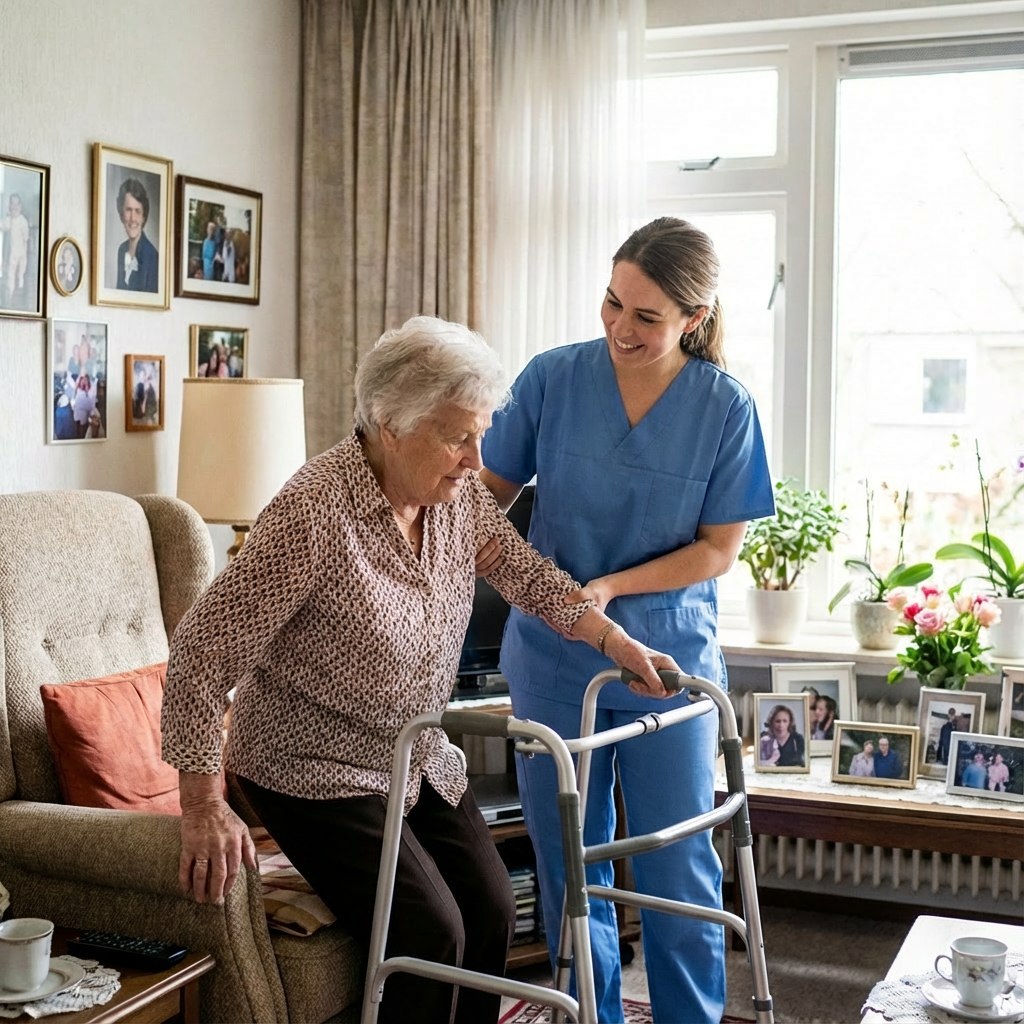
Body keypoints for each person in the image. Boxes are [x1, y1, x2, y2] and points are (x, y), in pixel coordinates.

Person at [160, 316, 681, 1024]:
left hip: (415, 752)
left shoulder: (455, 500)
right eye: (457, 435)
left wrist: (618, 643)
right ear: (389, 424)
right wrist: (200, 805)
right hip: (309, 763)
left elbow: (524, 573)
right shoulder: (312, 514)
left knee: (495, 907)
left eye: (481, 434)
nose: (476, 460)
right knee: (431, 929)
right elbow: (199, 651)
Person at [478, 217, 775, 1024]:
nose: (620, 327)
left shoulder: (725, 408)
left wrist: (611, 585)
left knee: (675, 867)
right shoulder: (551, 379)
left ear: (694, 319)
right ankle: (590, 1016)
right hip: (550, 657)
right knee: (570, 870)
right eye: (612, 303)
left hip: (667, 661)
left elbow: (718, 550)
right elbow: (478, 505)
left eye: (646, 316)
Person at [115, 178, 159, 292]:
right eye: (128, 210)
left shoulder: (153, 257)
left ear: (144, 216)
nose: (132, 218)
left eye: (138, 211)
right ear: (121, 213)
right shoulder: (121, 250)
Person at [1, 193, 30, 304]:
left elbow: (26, 238)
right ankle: (10, 299)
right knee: (10, 275)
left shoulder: (23, 221)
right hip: (12, 253)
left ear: (20, 206)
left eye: (16, 204)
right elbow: (3, 225)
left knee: (20, 275)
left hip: (21, 251)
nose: (14, 206)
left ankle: (19, 298)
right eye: (12, 204)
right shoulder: (9, 219)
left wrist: (24, 253)